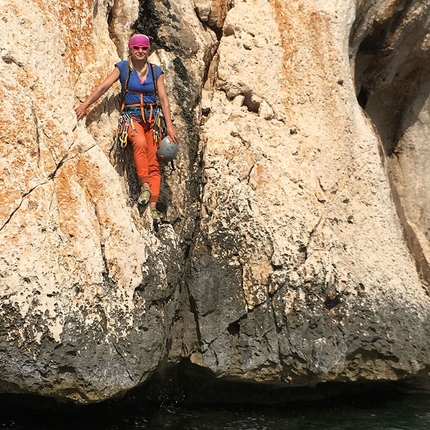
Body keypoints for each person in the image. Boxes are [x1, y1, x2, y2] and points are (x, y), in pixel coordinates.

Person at [75, 34, 178, 221]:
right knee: (139, 143)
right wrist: (85, 105)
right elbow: (103, 87)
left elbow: (163, 98)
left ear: (148, 50)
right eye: (136, 48)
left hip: (153, 121)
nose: (140, 51)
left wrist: (169, 127)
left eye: (144, 48)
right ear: (130, 49)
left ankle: (153, 206)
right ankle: (145, 187)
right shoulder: (122, 68)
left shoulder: (156, 71)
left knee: (155, 161)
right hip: (131, 118)